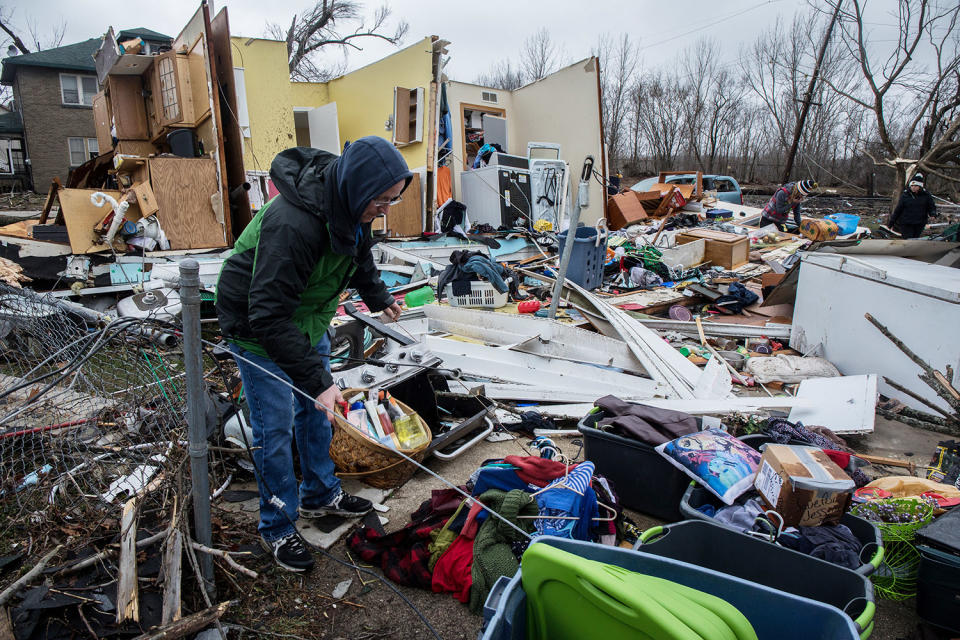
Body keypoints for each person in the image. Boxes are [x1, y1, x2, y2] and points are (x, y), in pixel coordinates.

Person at [215, 137, 410, 572]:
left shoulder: (351, 208)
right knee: (276, 428)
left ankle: (322, 496)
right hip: (257, 327)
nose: (386, 209)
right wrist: (319, 381)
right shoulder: (293, 223)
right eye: (382, 199)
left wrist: (377, 296)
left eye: (392, 200)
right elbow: (266, 315)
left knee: (318, 412)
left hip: (304, 317)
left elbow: (358, 254)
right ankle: (278, 528)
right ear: (358, 188)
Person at [889, 173, 937, 238]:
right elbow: (898, 209)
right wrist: (892, 222)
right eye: (912, 186)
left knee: (915, 239)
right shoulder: (905, 195)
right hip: (906, 222)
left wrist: (933, 214)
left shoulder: (926, 195)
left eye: (915, 186)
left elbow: (931, 206)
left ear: (920, 187)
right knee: (908, 239)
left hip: (919, 223)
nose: (913, 187)